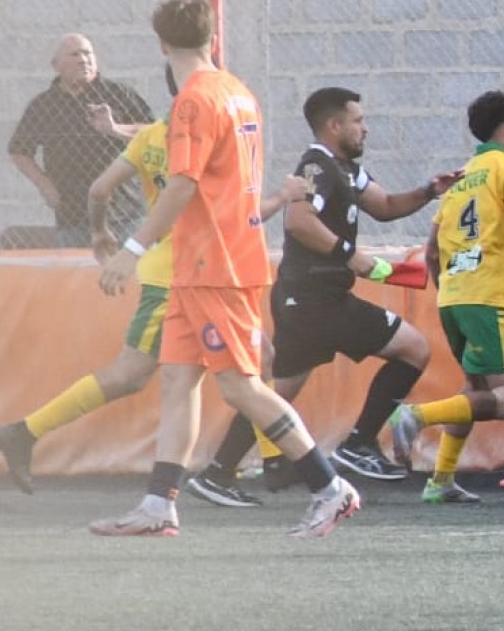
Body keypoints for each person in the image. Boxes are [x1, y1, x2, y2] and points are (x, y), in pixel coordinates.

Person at [90, 0, 358, 538]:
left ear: (162, 43)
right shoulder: (237, 91)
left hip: (217, 261)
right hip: (208, 260)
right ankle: (158, 505)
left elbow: (184, 185)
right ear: (212, 37)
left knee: (239, 386)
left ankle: (330, 486)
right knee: (179, 382)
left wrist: (132, 248)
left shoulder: (193, 100)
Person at [0, 117, 303, 496]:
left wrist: (99, 231)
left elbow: (98, 190)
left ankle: (270, 462)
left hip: (181, 273)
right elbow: (242, 217)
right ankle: (25, 432)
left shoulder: (153, 135)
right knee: (134, 375)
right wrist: (284, 196)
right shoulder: (206, 144)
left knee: (258, 359)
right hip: (187, 276)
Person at [190, 87, 458, 492]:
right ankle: (359, 444)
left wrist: (428, 191)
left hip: (308, 300)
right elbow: (298, 220)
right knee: (415, 348)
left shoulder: (346, 169)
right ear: (334, 126)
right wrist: (349, 254)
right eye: (358, 121)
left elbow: (384, 205)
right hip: (317, 300)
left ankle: (218, 473)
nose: (365, 129)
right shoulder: (317, 165)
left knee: (277, 395)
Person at [387, 90, 504, 504]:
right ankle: (416, 416)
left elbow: (431, 250)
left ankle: (440, 480)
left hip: (455, 298)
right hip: (490, 296)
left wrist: (451, 291)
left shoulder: (463, 176)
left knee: (474, 389)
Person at [6, 33, 152, 248]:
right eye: (75, 54)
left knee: (132, 276)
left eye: (88, 53)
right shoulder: (45, 104)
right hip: (73, 217)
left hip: (125, 214)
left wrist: (115, 129)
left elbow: (152, 132)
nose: (84, 59)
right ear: (56, 65)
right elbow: (19, 150)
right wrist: (44, 184)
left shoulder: (118, 94)